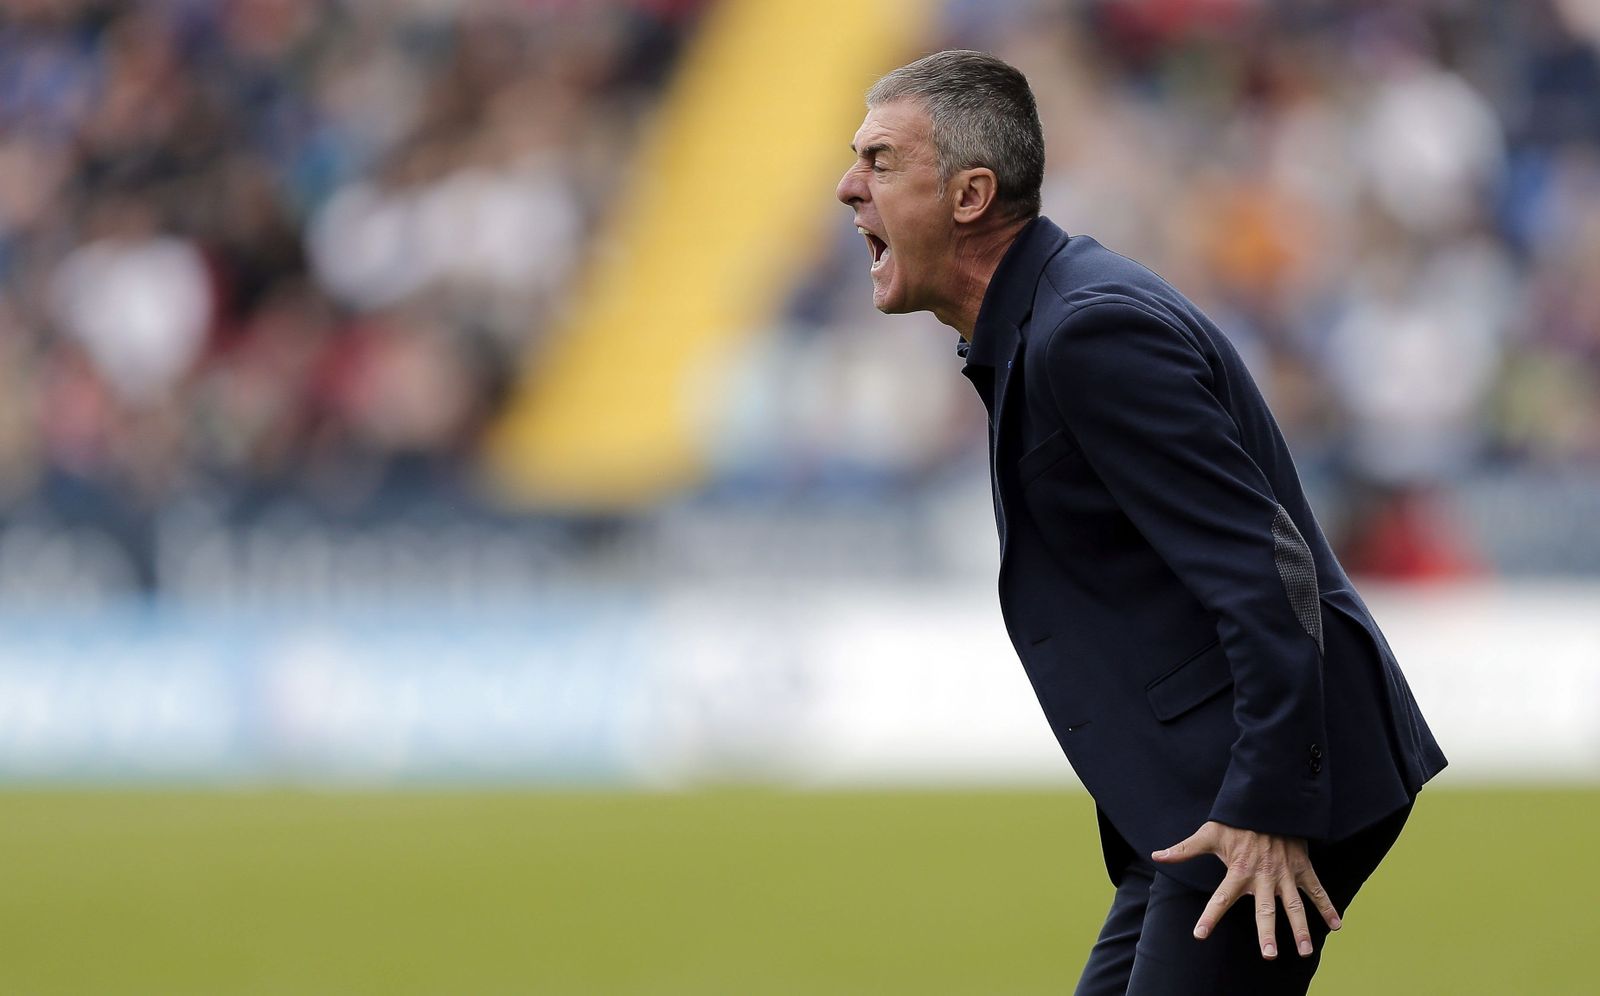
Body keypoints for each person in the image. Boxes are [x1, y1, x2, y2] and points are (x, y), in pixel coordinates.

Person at [835, 50, 1447, 995]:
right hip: (1208, 793)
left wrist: (1267, 799)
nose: (847, 188)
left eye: (878, 161)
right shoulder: (1048, 320)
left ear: (970, 195)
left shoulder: (1087, 332)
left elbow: (1267, 563)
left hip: (1268, 785)